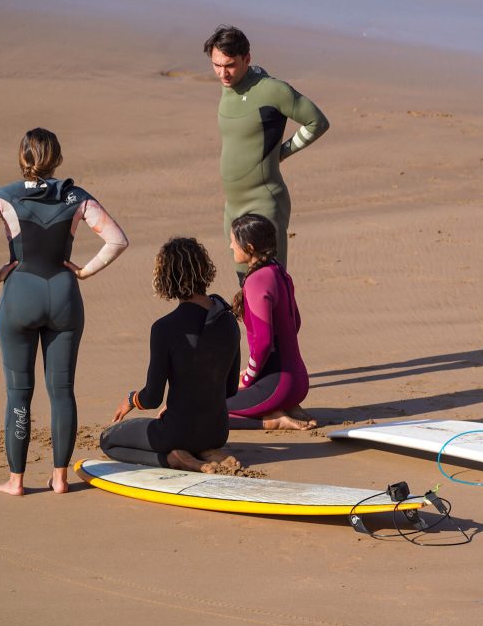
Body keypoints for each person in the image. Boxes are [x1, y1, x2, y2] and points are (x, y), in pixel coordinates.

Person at [0, 128, 128, 496]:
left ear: (22, 157)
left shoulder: (2, 198)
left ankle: (17, 481)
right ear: (58, 158)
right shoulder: (77, 196)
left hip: (19, 295)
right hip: (64, 297)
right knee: (62, 390)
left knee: (19, 391)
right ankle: (60, 478)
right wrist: (83, 271)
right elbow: (117, 240)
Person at [101, 237, 242, 472]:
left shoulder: (164, 328)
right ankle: (208, 451)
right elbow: (230, 389)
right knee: (193, 432)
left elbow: (152, 398)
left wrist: (131, 399)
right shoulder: (228, 320)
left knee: (108, 440)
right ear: (204, 269)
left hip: (177, 433)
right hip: (217, 432)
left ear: (167, 278)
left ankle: (174, 459)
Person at [204, 24, 330, 282]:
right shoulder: (229, 86)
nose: (222, 73)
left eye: (229, 65)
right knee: (245, 290)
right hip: (233, 207)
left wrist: (283, 152)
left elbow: (317, 122)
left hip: (263, 203)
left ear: (246, 59)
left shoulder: (272, 90)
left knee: (269, 287)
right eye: (216, 65)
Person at [226, 213, 315, 430]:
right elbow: (295, 324)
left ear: (248, 247)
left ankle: (273, 419)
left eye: (233, 241)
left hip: (278, 386)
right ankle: (287, 407)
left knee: (202, 409)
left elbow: (264, 343)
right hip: (299, 381)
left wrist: (248, 378)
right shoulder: (279, 272)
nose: (230, 246)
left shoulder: (256, 281)